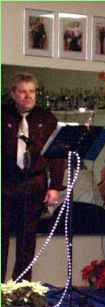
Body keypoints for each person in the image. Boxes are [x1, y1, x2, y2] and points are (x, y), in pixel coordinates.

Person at [2, 72, 61, 281]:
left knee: (27, 240)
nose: (28, 97)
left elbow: (56, 156)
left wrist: (55, 187)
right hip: (5, 183)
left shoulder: (46, 118)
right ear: (13, 94)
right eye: (23, 92)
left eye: (32, 92)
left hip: (34, 183)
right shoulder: (3, 114)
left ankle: (22, 289)